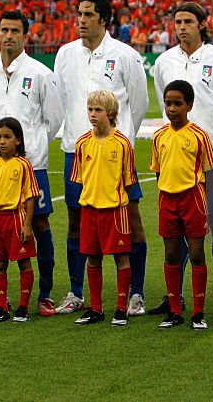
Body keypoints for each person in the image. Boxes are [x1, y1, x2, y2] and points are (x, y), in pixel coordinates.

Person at [55, 0, 148, 315]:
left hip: (116, 156)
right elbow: (62, 100)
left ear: (104, 19)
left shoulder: (126, 55)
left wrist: (121, 143)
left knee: (131, 221)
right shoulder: (65, 54)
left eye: (88, 14)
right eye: (79, 13)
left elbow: (138, 104)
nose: (81, 19)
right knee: (76, 221)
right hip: (76, 151)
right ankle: (76, 291)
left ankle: (136, 293)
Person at [150, 2, 213, 316]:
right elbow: (166, 104)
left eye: (188, 21)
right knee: (177, 230)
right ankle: (177, 297)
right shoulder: (163, 61)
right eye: (178, 21)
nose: (182, 26)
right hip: (175, 159)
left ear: (202, 24)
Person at [0, 11, 62, 317]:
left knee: (39, 224)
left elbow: (54, 119)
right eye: (4, 30)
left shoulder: (40, 73)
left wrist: (32, 147)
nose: (9, 35)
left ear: (26, 36)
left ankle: (45, 294)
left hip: (31, 164)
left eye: (15, 30)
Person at [151, 80, 213, 331]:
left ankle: (199, 312)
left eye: (178, 104)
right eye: (168, 103)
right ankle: (175, 310)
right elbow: (158, 172)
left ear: (189, 105)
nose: (172, 108)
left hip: (193, 199)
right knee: (171, 254)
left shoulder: (199, 136)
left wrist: (205, 203)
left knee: (197, 254)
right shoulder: (159, 137)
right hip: (168, 200)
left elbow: (209, 172)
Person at [70, 91, 137, 327]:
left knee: (121, 258)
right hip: (90, 209)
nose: (92, 114)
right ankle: (96, 309)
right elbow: (80, 178)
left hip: (115, 210)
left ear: (111, 113)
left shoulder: (122, 143)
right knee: (93, 259)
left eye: (98, 110)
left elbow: (129, 180)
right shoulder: (81, 143)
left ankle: (121, 308)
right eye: (90, 109)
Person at [0, 117, 39, 324]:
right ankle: (2, 306)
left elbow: (30, 196)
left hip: (16, 219)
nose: (2, 142)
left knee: (23, 262)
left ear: (18, 140)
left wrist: (28, 224)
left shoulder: (23, 165)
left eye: (7, 137)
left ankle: (23, 306)